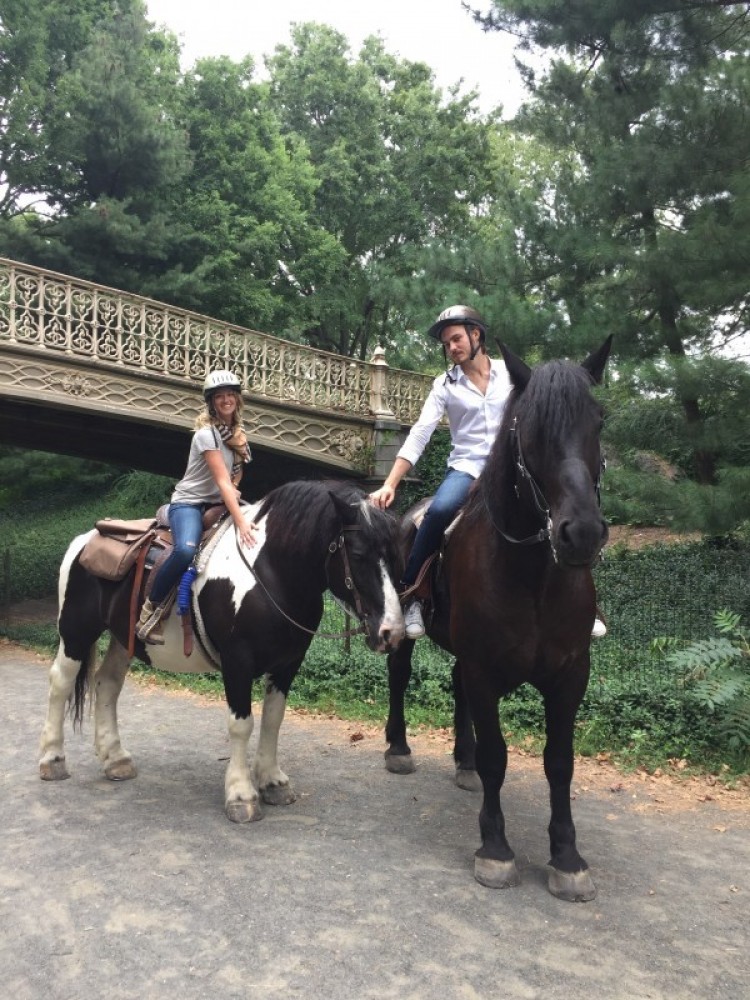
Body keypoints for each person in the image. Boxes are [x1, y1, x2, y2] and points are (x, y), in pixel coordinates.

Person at [370, 305, 512, 639]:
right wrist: (390, 483)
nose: (452, 348)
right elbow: (420, 433)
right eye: (447, 343)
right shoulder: (444, 385)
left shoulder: (511, 373)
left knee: (559, 505)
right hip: (467, 467)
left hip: (510, 467)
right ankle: (414, 596)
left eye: (457, 339)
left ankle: (587, 604)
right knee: (440, 510)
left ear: (476, 335)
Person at [136, 370, 258, 644]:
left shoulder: (237, 437)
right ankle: (150, 607)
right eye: (219, 397)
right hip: (189, 503)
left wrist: (239, 506)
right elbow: (223, 482)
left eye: (230, 395)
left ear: (237, 400)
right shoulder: (206, 435)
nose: (226, 400)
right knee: (185, 550)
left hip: (216, 502)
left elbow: (235, 480)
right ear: (212, 403)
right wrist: (240, 521)